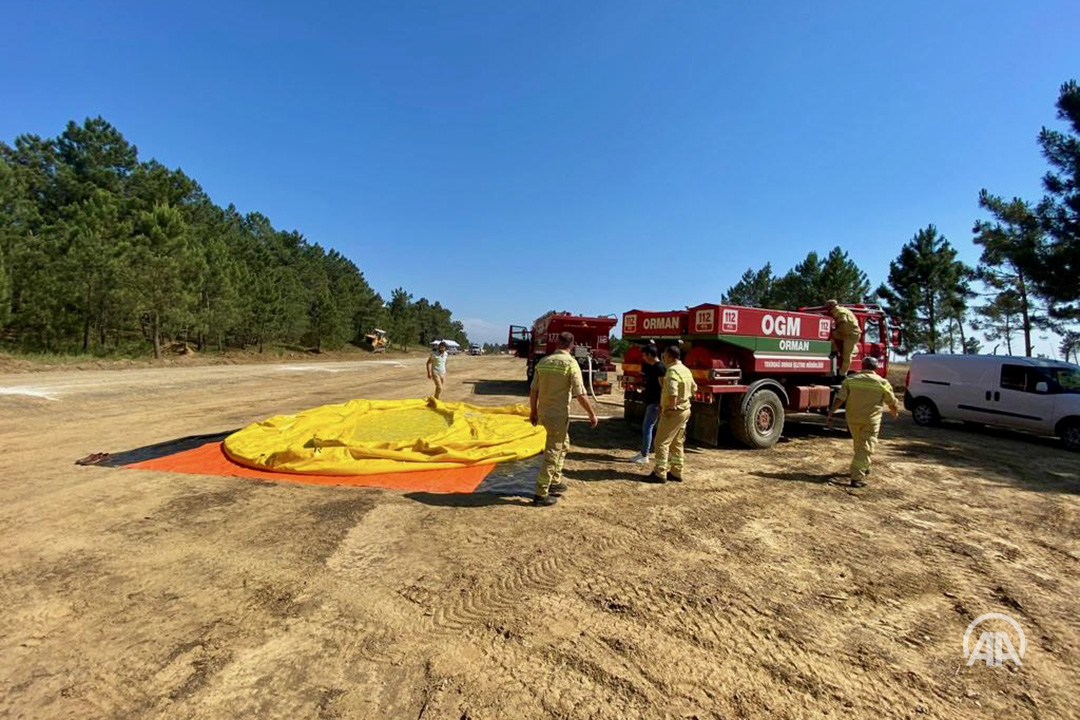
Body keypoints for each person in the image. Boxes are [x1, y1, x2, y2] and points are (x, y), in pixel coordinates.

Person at [529, 332, 598, 506]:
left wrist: (533, 412)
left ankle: (555, 481)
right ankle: (541, 493)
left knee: (564, 443)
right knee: (553, 450)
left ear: (557, 343)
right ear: (572, 345)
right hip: (558, 415)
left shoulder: (543, 362)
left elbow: (534, 390)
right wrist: (591, 414)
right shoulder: (571, 364)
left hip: (544, 412)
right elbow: (581, 394)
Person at [826, 356, 899, 488]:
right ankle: (856, 477)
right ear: (876, 368)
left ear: (862, 366)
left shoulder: (850, 380)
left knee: (859, 444)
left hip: (853, 419)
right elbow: (891, 402)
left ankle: (864, 466)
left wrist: (830, 413)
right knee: (866, 447)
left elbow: (840, 398)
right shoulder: (882, 382)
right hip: (870, 421)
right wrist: (895, 412)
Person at [649, 345, 696, 483]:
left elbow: (672, 391)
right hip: (685, 410)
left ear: (669, 357)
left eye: (664, 356)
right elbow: (694, 388)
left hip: (674, 412)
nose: (663, 359)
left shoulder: (672, 372)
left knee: (661, 442)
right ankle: (676, 471)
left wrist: (671, 407)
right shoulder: (686, 370)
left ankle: (660, 472)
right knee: (677, 442)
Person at [628, 345, 665, 463]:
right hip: (651, 401)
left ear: (649, 355)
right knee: (648, 427)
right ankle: (644, 452)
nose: (643, 358)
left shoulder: (659, 368)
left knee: (647, 427)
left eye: (644, 355)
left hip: (655, 402)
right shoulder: (652, 367)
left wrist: (661, 404)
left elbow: (663, 387)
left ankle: (644, 455)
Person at [826, 299, 862, 376]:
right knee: (833, 339)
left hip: (851, 335)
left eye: (827, 306)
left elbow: (843, 322)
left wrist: (836, 329)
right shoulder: (843, 310)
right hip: (844, 333)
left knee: (846, 354)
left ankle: (842, 374)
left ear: (831, 306)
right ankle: (834, 352)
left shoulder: (839, 311)